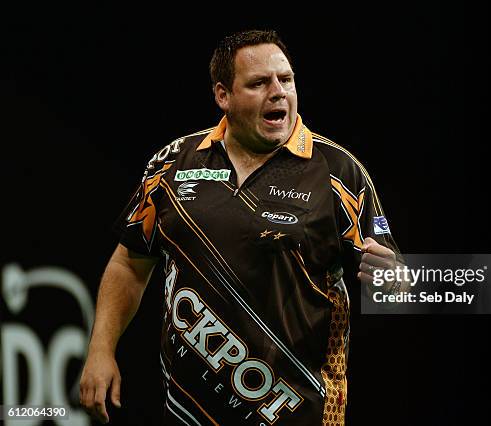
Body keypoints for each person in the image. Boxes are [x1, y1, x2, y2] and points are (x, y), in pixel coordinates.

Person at [80, 29, 406, 425]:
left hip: (296, 409)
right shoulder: (172, 164)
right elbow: (129, 264)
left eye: (286, 79)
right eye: (259, 83)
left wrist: (393, 282)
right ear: (223, 96)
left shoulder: (339, 173)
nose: (278, 92)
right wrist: (100, 349)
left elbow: (396, 279)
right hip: (189, 412)